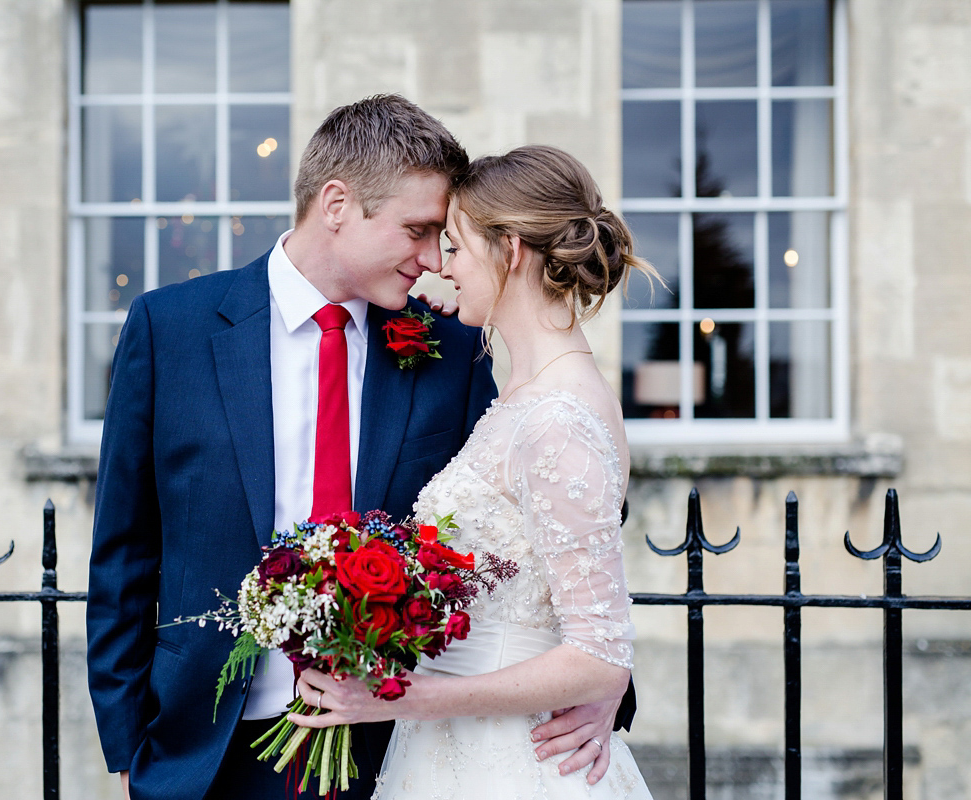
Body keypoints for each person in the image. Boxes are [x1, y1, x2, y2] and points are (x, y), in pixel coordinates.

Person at [87, 97, 631, 800]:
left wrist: (607, 681)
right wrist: (129, 746)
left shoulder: (453, 348)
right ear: (337, 204)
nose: (435, 259)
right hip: (204, 751)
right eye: (418, 230)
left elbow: (562, 522)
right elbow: (125, 552)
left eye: (446, 238)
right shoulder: (171, 330)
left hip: (395, 749)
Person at [289, 145, 656, 799]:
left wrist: (396, 697)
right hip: (455, 753)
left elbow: (600, 653)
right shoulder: (528, 393)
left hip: (515, 764)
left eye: (455, 247)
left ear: (509, 250)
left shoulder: (558, 416)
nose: (442, 266)